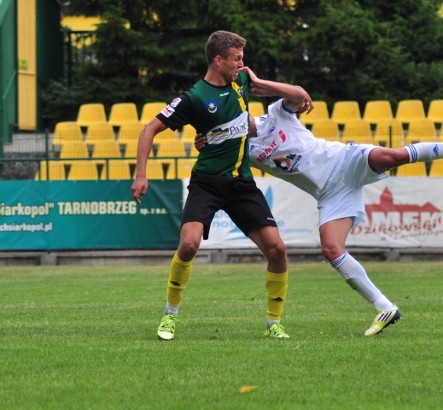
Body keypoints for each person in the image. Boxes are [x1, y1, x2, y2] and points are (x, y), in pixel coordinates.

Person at [195, 67, 443, 336]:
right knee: (331, 248)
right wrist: (206, 139)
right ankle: (385, 307)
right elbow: (213, 146)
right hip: (330, 194)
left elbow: (300, 95)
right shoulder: (243, 152)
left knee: (395, 155)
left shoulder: (275, 114)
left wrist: (261, 83)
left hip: (344, 161)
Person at [131, 31, 313, 341]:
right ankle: (169, 317)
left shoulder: (241, 82)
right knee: (188, 245)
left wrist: (258, 81)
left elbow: (300, 95)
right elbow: (150, 128)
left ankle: (274, 324)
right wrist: (140, 174)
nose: (242, 64)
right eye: (237, 59)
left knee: (278, 249)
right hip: (207, 183)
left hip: (241, 183)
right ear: (219, 60)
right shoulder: (193, 98)